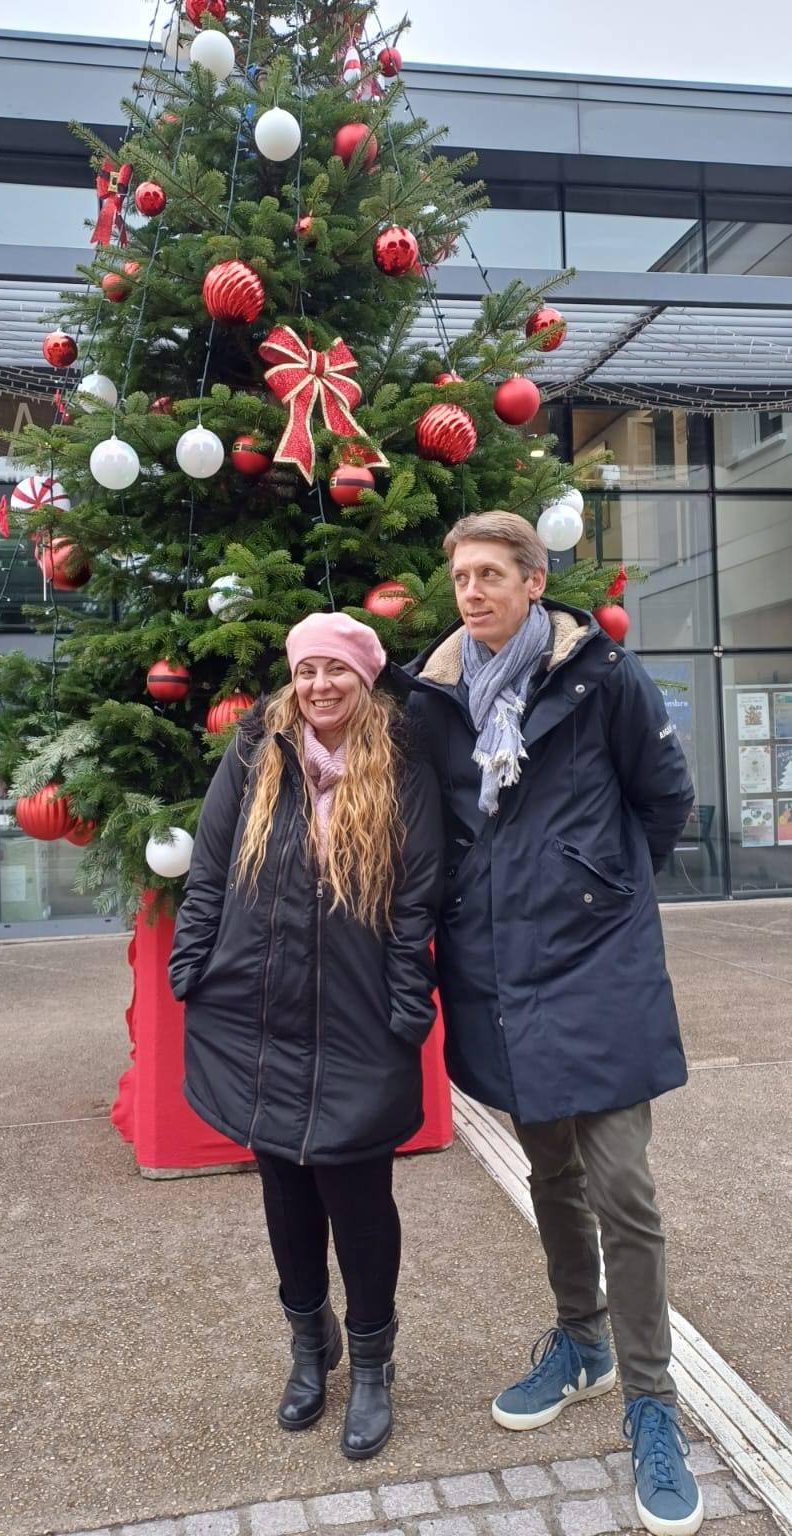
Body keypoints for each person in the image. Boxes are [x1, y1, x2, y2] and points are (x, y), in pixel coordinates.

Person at [399, 512, 702, 1536]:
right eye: (461, 577)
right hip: (499, 972)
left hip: (598, 965)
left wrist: (599, 891)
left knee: (623, 1186)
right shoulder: (437, 697)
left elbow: (664, 799)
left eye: (491, 574)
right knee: (552, 1173)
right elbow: (438, 829)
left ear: (534, 582)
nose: (472, 592)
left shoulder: (600, 676)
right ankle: (582, 1340)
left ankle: (651, 1402)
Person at [168, 612, 442, 1461]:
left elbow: (416, 899)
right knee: (284, 1186)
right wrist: (191, 966)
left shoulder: (402, 760)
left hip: (359, 1015)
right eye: (307, 671)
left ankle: (372, 1365)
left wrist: (407, 1006)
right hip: (260, 1007)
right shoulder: (256, 751)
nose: (321, 686)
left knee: (358, 1197)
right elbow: (210, 867)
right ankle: (308, 1342)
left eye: (338, 670)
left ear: (365, 678)